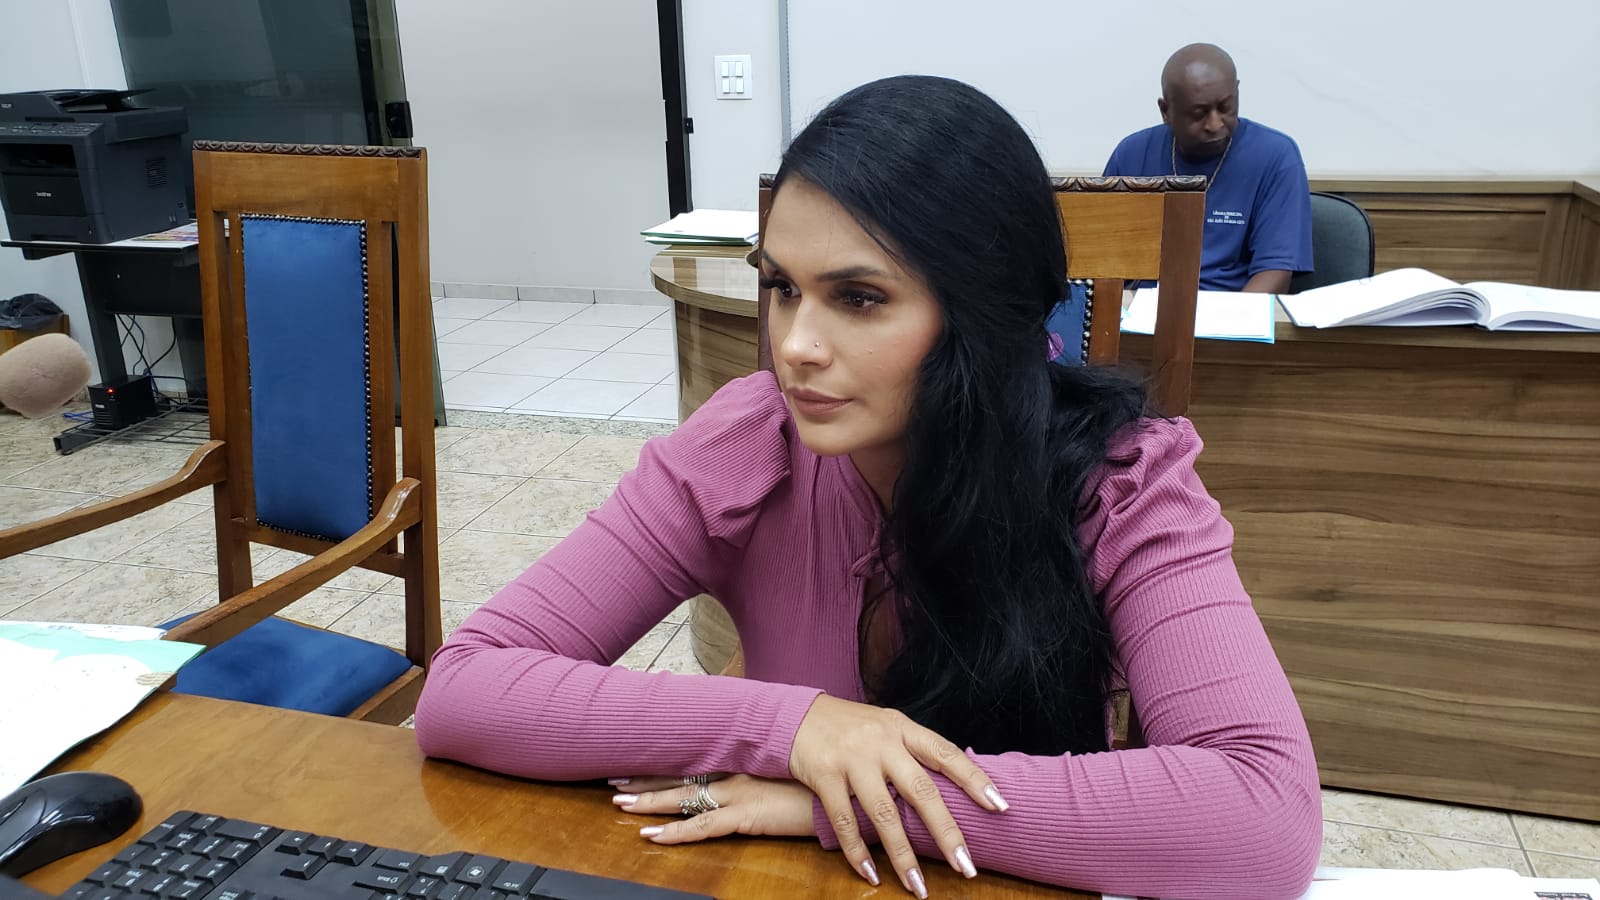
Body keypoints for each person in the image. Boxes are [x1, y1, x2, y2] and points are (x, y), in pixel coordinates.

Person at [415, 75, 1320, 899]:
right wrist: (799, 728)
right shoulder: (746, 442)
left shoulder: (1122, 478)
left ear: (983, 315)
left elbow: (1264, 815)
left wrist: (851, 795)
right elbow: (465, 688)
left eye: (857, 298)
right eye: (782, 287)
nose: (795, 345)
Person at [1104, 43, 1313, 292]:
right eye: (1198, 113)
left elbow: (1275, 271)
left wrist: (1230, 317)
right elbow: (1099, 262)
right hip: (1141, 308)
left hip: (1231, 307)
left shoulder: (1276, 157)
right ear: (1165, 111)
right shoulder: (1131, 154)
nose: (1214, 124)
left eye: (1225, 108)